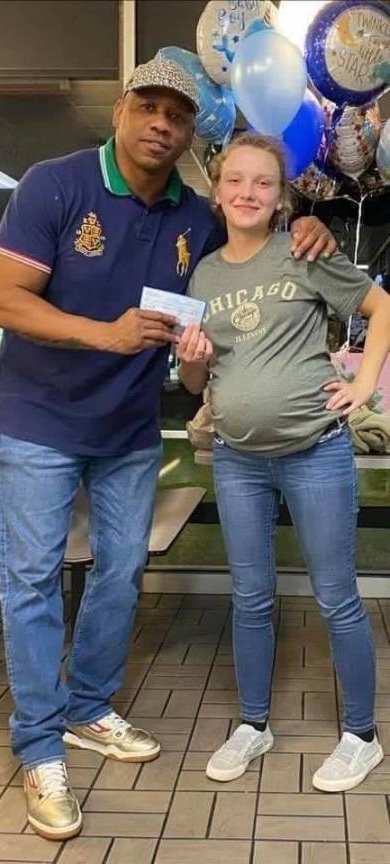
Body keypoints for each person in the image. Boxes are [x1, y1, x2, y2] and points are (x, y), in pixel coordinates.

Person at [0, 58, 335, 840]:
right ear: (120, 110)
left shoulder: (194, 215)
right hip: (39, 422)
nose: (160, 124)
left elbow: (258, 234)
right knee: (34, 580)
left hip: (130, 430)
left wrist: (305, 220)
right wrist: (103, 335)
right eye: (147, 107)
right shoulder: (56, 183)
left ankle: (88, 708)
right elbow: (1, 297)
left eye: (177, 116)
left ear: (191, 132)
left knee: (121, 574)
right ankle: (40, 745)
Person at [178, 132, 390, 793]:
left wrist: (363, 387)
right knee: (250, 598)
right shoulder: (204, 275)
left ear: (280, 197)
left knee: (336, 598)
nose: (247, 191)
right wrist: (190, 357)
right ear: (218, 191)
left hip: (314, 453)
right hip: (239, 459)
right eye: (235, 180)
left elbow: (381, 307)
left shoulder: (303, 251)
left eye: (263, 183)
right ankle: (254, 723)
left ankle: (362, 735)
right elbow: (194, 385)